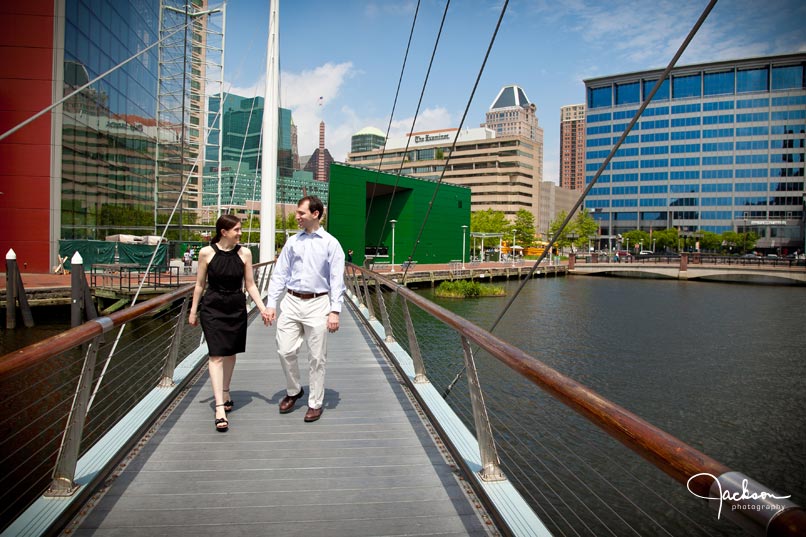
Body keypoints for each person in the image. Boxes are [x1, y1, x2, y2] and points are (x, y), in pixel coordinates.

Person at [265, 196, 346, 423]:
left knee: (317, 357)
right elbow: (279, 273)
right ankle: (294, 390)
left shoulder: (331, 244)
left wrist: (335, 311)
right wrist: (271, 303)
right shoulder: (293, 242)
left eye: (301, 213)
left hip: (318, 303)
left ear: (316, 214)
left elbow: (336, 280)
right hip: (290, 301)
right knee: (284, 350)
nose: (297, 216)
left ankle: (315, 403)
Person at [189, 215, 270, 432]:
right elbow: (199, 285)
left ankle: (225, 391)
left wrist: (263, 309)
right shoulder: (206, 253)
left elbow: (251, 285)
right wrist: (193, 311)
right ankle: (219, 408)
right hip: (212, 307)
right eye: (236, 229)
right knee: (216, 355)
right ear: (224, 232)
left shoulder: (245, 253)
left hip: (236, 307)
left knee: (231, 353)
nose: (240, 233)